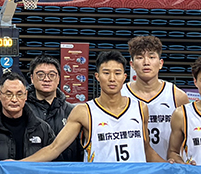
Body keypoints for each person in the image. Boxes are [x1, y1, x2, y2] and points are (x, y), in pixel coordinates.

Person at [23, 51, 164, 163]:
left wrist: (171, 167)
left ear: (124, 77)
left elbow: (146, 149)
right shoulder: (83, 112)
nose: (112, 79)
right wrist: (18, 164)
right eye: (106, 73)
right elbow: (54, 148)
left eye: (117, 73)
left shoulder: (140, 108)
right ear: (97, 76)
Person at [122, 36, 190, 161]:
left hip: (169, 166)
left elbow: (188, 137)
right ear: (132, 65)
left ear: (160, 63)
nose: (146, 62)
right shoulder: (121, 94)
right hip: (133, 166)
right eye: (140, 57)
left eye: (152, 57)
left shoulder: (177, 96)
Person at [25, 54, 83, 162]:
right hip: (30, 170)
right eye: (41, 75)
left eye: (52, 75)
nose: (46, 79)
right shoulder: (22, 110)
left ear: (58, 79)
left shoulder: (72, 111)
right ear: (32, 78)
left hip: (66, 171)